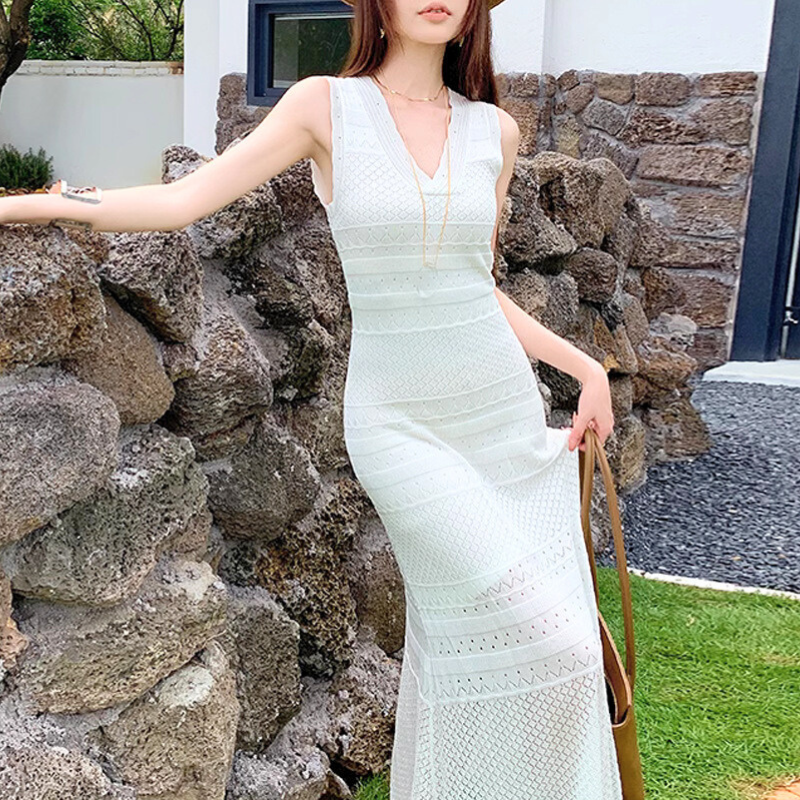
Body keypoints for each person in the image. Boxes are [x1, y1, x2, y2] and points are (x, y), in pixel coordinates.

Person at [1, 0, 620, 796]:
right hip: (400, 428)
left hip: (499, 416)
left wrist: (586, 369)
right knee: (542, 638)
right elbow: (184, 203)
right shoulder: (326, 107)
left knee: (549, 653)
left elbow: (476, 286)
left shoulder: (493, 133)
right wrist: (44, 202)